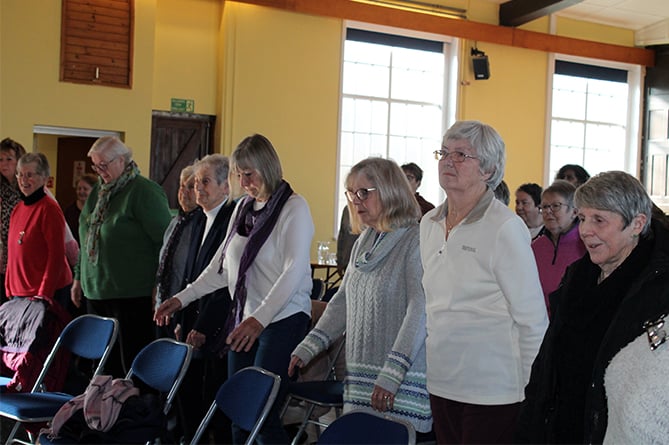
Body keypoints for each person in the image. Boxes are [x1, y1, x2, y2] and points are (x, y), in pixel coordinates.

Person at [155, 133, 313, 444]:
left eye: (248, 174)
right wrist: (180, 299)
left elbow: (293, 272)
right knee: (238, 412)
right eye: (238, 175)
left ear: (267, 168)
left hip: (282, 319)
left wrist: (258, 320)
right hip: (247, 319)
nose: (243, 182)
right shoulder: (242, 208)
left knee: (261, 414)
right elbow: (220, 269)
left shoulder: (294, 208)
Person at [516, 171, 669, 444]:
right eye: (583, 217)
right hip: (562, 424)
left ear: (637, 224)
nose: (586, 230)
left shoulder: (657, 287)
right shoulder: (578, 275)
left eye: (599, 220)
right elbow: (548, 359)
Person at [420, 120, 548, 444]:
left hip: (494, 389)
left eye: (462, 155)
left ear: (489, 170)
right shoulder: (428, 224)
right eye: (444, 153)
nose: (448, 161)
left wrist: (535, 391)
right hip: (441, 380)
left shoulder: (505, 228)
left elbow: (532, 319)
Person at [289, 157, 432, 434]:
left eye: (364, 192)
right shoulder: (364, 242)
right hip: (363, 378)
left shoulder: (415, 240)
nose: (355, 200)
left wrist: (392, 374)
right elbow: (343, 301)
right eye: (352, 193)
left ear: (390, 191)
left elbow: (419, 309)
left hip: (398, 383)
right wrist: (310, 346)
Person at [71, 136, 171, 378]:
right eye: (95, 166)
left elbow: (166, 243)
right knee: (101, 368)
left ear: (123, 160)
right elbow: (85, 237)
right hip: (96, 292)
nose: (99, 171)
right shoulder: (98, 192)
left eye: (104, 164)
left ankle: (130, 413)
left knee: (129, 367)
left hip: (132, 296)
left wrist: (161, 285)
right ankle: (102, 413)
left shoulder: (143, 192)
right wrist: (77, 278)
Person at [175, 154, 236, 444]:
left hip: (217, 325)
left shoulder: (232, 220)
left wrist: (202, 325)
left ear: (226, 187)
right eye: (196, 182)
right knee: (188, 396)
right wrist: (181, 318)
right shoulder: (198, 219)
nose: (198, 188)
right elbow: (189, 276)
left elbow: (225, 283)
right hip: (192, 320)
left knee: (216, 400)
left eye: (205, 181)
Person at [0, 153, 72, 392]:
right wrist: (10, 288)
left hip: (45, 294)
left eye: (30, 175)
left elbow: (55, 257)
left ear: (44, 178)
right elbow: (13, 252)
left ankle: (41, 397)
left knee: (40, 354)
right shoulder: (19, 208)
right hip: (20, 294)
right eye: (21, 175)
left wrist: (44, 295)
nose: (24, 179)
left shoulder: (49, 209)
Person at [154, 164, 202, 339]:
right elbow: (163, 263)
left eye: (190, 187)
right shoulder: (176, 221)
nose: (184, 191)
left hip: (185, 308)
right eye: (182, 186)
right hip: (164, 306)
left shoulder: (201, 224)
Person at [531, 180, 586, 312]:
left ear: (574, 212)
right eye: (544, 207)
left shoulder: (586, 245)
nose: (548, 212)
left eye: (556, 206)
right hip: (538, 322)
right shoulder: (536, 246)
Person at [0, 138, 27, 302]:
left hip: (20, 255)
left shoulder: (27, 187)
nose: (4, 164)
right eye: (0, 159)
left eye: (9, 159)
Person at [63, 173, 98, 245]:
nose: (81, 192)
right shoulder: (70, 211)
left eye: (85, 189)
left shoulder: (98, 209)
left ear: (93, 191)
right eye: (79, 189)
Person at [335, 206, 358, 276]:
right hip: (347, 262)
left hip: (363, 262)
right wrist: (339, 261)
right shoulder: (347, 209)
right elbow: (342, 236)